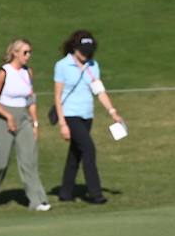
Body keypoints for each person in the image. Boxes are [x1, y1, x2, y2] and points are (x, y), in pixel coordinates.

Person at [53, 30, 124, 204]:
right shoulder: (62, 65)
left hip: (87, 115)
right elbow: (58, 96)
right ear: (74, 48)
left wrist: (112, 111)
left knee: (75, 154)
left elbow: (100, 92)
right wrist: (62, 123)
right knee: (88, 149)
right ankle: (95, 193)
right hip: (70, 114)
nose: (85, 54)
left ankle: (65, 192)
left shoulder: (93, 65)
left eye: (88, 51)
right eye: (82, 50)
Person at [0, 38, 49, 211]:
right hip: (4, 118)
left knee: (29, 160)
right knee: (0, 161)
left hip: (24, 119)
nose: (28, 56)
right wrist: (8, 116)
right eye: (25, 52)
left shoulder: (28, 72)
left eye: (30, 52)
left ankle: (38, 200)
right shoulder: (4, 72)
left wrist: (35, 123)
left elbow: (31, 99)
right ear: (15, 53)